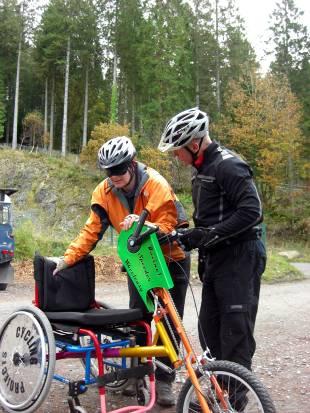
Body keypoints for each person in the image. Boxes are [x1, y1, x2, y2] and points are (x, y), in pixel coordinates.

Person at [54, 136, 190, 406]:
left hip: (170, 260)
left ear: (132, 164)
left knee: (171, 322)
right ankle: (136, 376)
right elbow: (90, 232)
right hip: (139, 262)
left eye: (118, 170)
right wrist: (67, 260)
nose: (113, 176)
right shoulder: (103, 192)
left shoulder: (156, 185)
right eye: (108, 171)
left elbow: (172, 226)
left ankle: (164, 382)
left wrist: (144, 225)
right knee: (139, 318)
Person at [158, 107, 266, 373]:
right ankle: (221, 393)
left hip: (241, 256)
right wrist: (190, 235)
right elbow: (214, 214)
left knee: (235, 330)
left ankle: (234, 400)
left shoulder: (229, 165)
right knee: (209, 329)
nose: (176, 155)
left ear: (195, 144)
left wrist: (207, 234)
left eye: (178, 149)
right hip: (217, 258)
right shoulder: (202, 167)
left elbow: (252, 211)